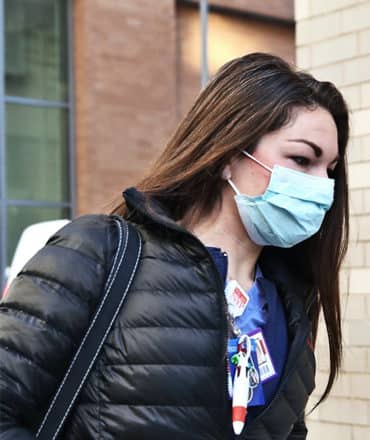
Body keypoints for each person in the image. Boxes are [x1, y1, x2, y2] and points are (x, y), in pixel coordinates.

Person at [0, 52, 348, 439]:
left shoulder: (291, 303)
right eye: (302, 159)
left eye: (330, 171)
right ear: (227, 156)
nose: (322, 188)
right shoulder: (100, 253)